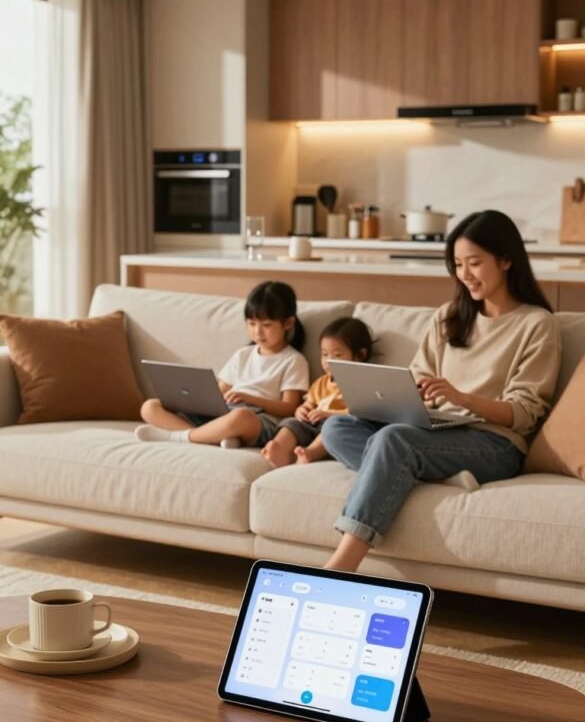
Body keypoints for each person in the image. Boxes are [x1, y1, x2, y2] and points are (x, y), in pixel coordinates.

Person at [320, 209, 562, 573]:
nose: (464, 274)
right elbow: (418, 375)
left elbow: (523, 413)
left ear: (507, 260)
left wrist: (461, 397)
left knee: (395, 441)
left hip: (495, 442)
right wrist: (413, 395)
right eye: (458, 264)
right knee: (336, 429)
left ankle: (342, 564)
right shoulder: (449, 317)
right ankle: (438, 475)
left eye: (475, 263)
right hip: (437, 428)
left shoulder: (536, 325)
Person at [135, 280, 309, 448]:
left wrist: (250, 399)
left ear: (288, 323)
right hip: (225, 414)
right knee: (150, 407)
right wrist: (193, 398)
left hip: (258, 420)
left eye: (266, 325)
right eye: (251, 324)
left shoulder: (293, 361)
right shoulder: (243, 354)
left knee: (240, 416)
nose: (257, 332)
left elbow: (289, 408)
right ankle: (211, 437)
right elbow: (219, 392)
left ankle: (182, 436)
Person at [261, 316, 374, 468]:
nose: (328, 361)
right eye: (324, 354)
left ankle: (309, 453)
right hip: (312, 425)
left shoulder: (362, 384)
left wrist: (329, 415)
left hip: (335, 430)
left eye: (337, 355)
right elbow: (308, 403)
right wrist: (301, 410)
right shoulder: (322, 382)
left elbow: (360, 415)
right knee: (290, 423)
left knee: (330, 428)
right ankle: (279, 449)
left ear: (360, 355)